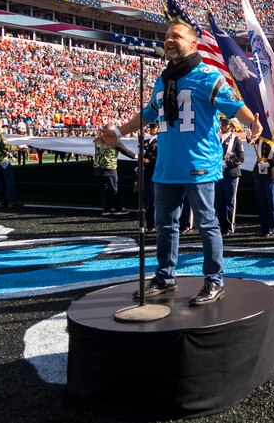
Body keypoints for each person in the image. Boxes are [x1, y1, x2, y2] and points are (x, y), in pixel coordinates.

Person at [97, 18, 262, 306]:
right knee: (165, 226)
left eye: (176, 36)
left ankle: (214, 280)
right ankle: (165, 277)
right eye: (166, 36)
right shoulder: (163, 79)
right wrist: (119, 132)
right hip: (166, 167)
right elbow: (148, 113)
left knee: (207, 224)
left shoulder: (209, 76)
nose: (169, 40)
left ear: (193, 43)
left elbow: (235, 106)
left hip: (199, 165)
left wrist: (252, 124)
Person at [93, 123, 137, 216]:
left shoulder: (98, 139)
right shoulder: (115, 140)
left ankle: (107, 209)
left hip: (97, 168)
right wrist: (136, 156)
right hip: (109, 168)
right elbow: (126, 151)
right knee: (113, 189)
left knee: (104, 189)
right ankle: (118, 209)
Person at [215, 117, 244, 236]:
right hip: (218, 173)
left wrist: (227, 164)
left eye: (226, 124)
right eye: (222, 124)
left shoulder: (236, 140)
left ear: (231, 126)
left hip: (231, 173)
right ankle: (221, 225)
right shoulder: (217, 138)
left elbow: (241, 158)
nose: (223, 126)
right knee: (219, 200)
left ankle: (229, 225)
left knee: (229, 200)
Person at [252, 137, 274, 237]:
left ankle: (271, 227)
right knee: (261, 201)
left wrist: (269, 164)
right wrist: (249, 136)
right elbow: (252, 141)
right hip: (259, 171)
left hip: (272, 172)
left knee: (271, 201)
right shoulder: (261, 136)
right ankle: (263, 226)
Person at [139, 121, 159, 231]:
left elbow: (158, 157)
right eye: (151, 128)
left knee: (155, 200)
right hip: (146, 173)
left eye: (154, 128)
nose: (152, 129)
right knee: (147, 200)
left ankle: (155, 223)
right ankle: (150, 223)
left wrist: (147, 159)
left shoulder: (159, 142)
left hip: (154, 172)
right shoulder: (146, 141)